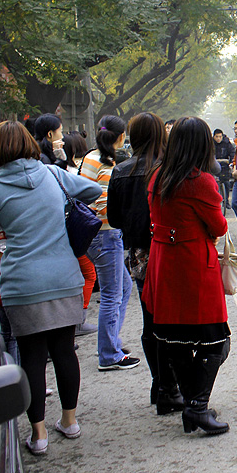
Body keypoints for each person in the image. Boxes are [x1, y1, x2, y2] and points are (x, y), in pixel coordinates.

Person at [0, 121, 102, 455]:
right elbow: (93, 191)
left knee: (33, 357)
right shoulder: (52, 174)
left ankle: (38, 436)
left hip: (21, 284)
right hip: (64, 277)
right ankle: (70, 421)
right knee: (65, 350)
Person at [143, 117, 230, 435]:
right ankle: (197, 407)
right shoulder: (200, 182)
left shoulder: (158, 177)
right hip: (194, 265)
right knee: (215, 340)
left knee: (173, 338)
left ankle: (193, 404)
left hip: (164, 262)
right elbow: (219, 226)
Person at [107, 112, 184, 415]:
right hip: (167, 250)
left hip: (137, 255)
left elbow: (113, 218)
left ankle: (158, 383)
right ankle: (170, 386)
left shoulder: (120, 171)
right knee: (173, 320)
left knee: (149, 318)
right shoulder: (167, 170)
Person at [81, 115, 140, 372]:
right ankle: (109, 354)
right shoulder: (108, 164)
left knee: (123, 288)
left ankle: (110, 342)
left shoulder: (90, 157)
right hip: (105, 234)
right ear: (119, 137)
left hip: (93, 235)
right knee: (112, 294)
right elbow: (104, 204)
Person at [63, 132, 98, 336]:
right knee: (88, 274)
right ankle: (78, 320)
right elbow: (92, 191)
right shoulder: (67, 172)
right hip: (74, 233)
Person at [212, 129, 235, 211]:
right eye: (216, 137)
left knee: (227, 183)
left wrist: (231, 162)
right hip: (213, 166)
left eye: (220, 137)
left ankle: (226, 200)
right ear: (214, 136)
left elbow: (232, 153)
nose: (218, 138)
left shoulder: (227, 143)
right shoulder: (210, 144)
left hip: (224, 166)